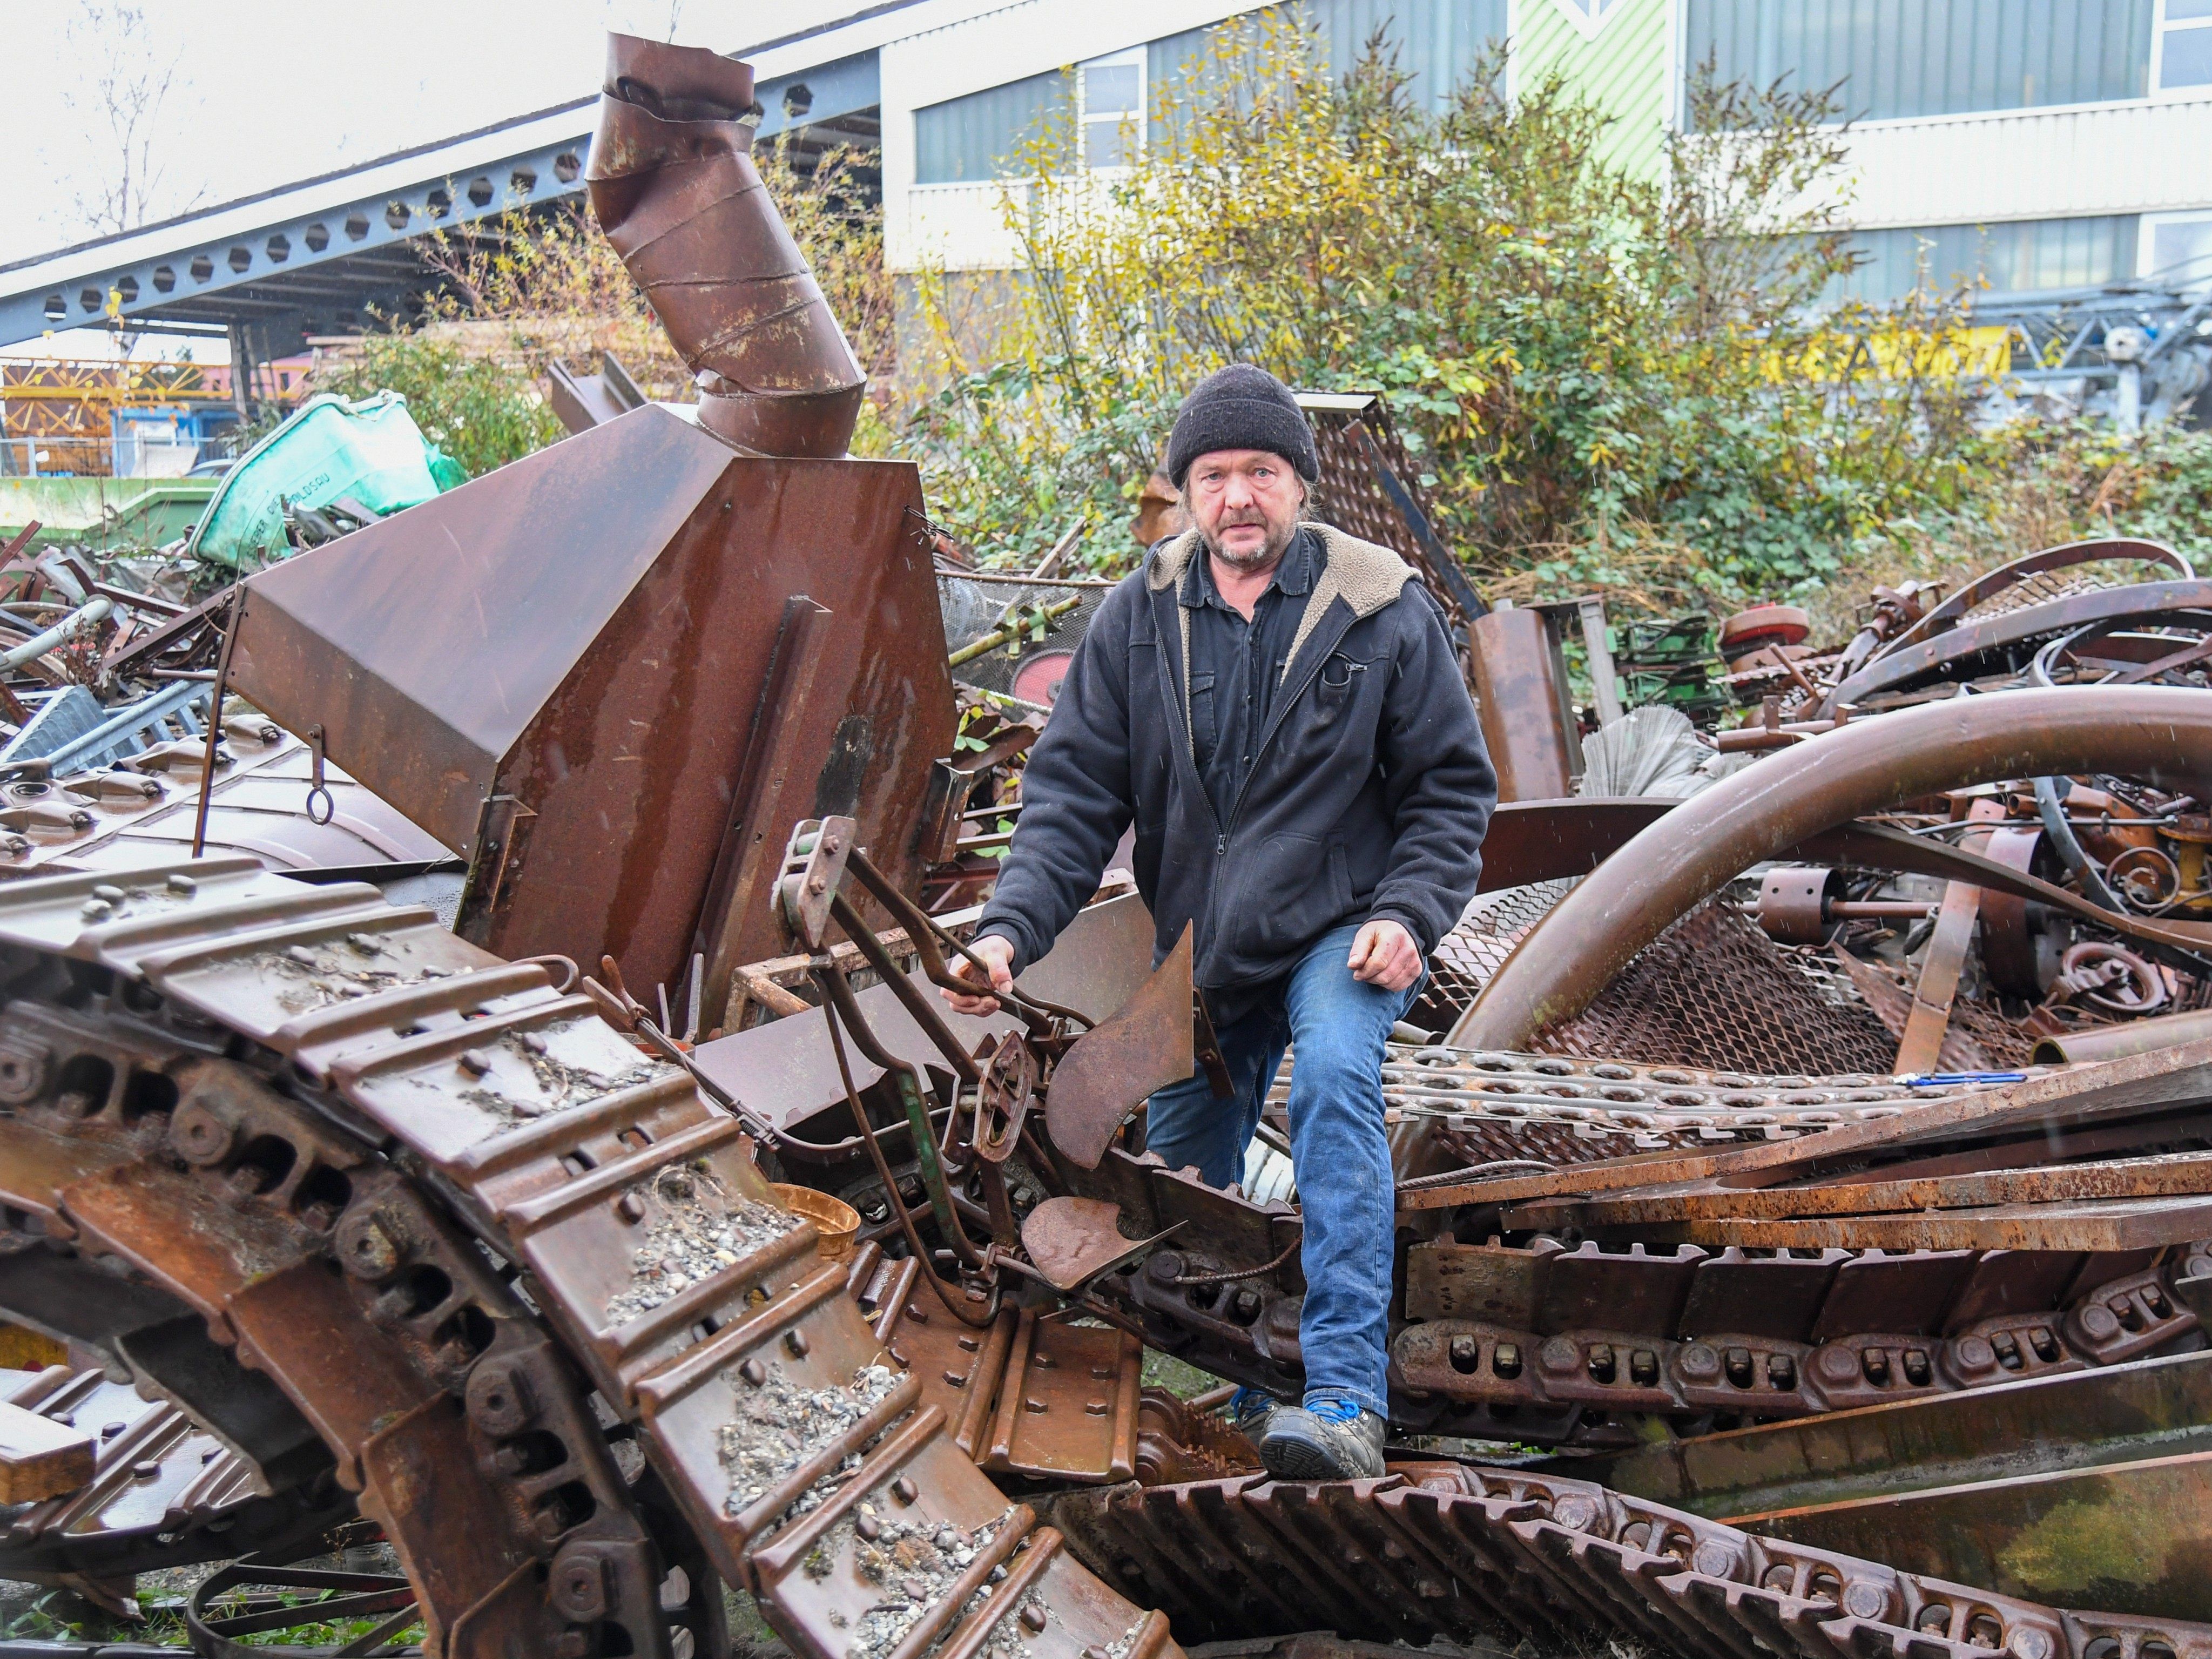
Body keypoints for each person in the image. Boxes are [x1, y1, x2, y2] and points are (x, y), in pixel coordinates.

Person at [944, 363, 1496, 1479]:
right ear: (1187, 493)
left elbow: (1449, 790)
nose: (1236, 495)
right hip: (1201, 947)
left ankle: (1343, 1401)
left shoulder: (1379, 608)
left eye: (1258, 472)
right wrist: (1005, 933)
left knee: (1336, 1085)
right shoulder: (1136, 621)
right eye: (1212, 476)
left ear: (1296, 483)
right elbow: (1068, 802)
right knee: (1183, 1168)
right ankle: (1243, 1397)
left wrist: (1409, 911)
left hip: (1340, 930)